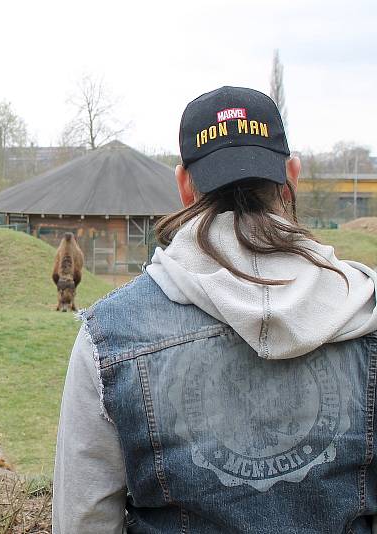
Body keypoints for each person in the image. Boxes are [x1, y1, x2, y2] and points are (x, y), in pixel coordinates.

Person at [53, 86, 377, 533]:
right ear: (292, 175)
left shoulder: (107, 337)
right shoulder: (368, 311)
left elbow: (82, 520)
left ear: (184, 185)